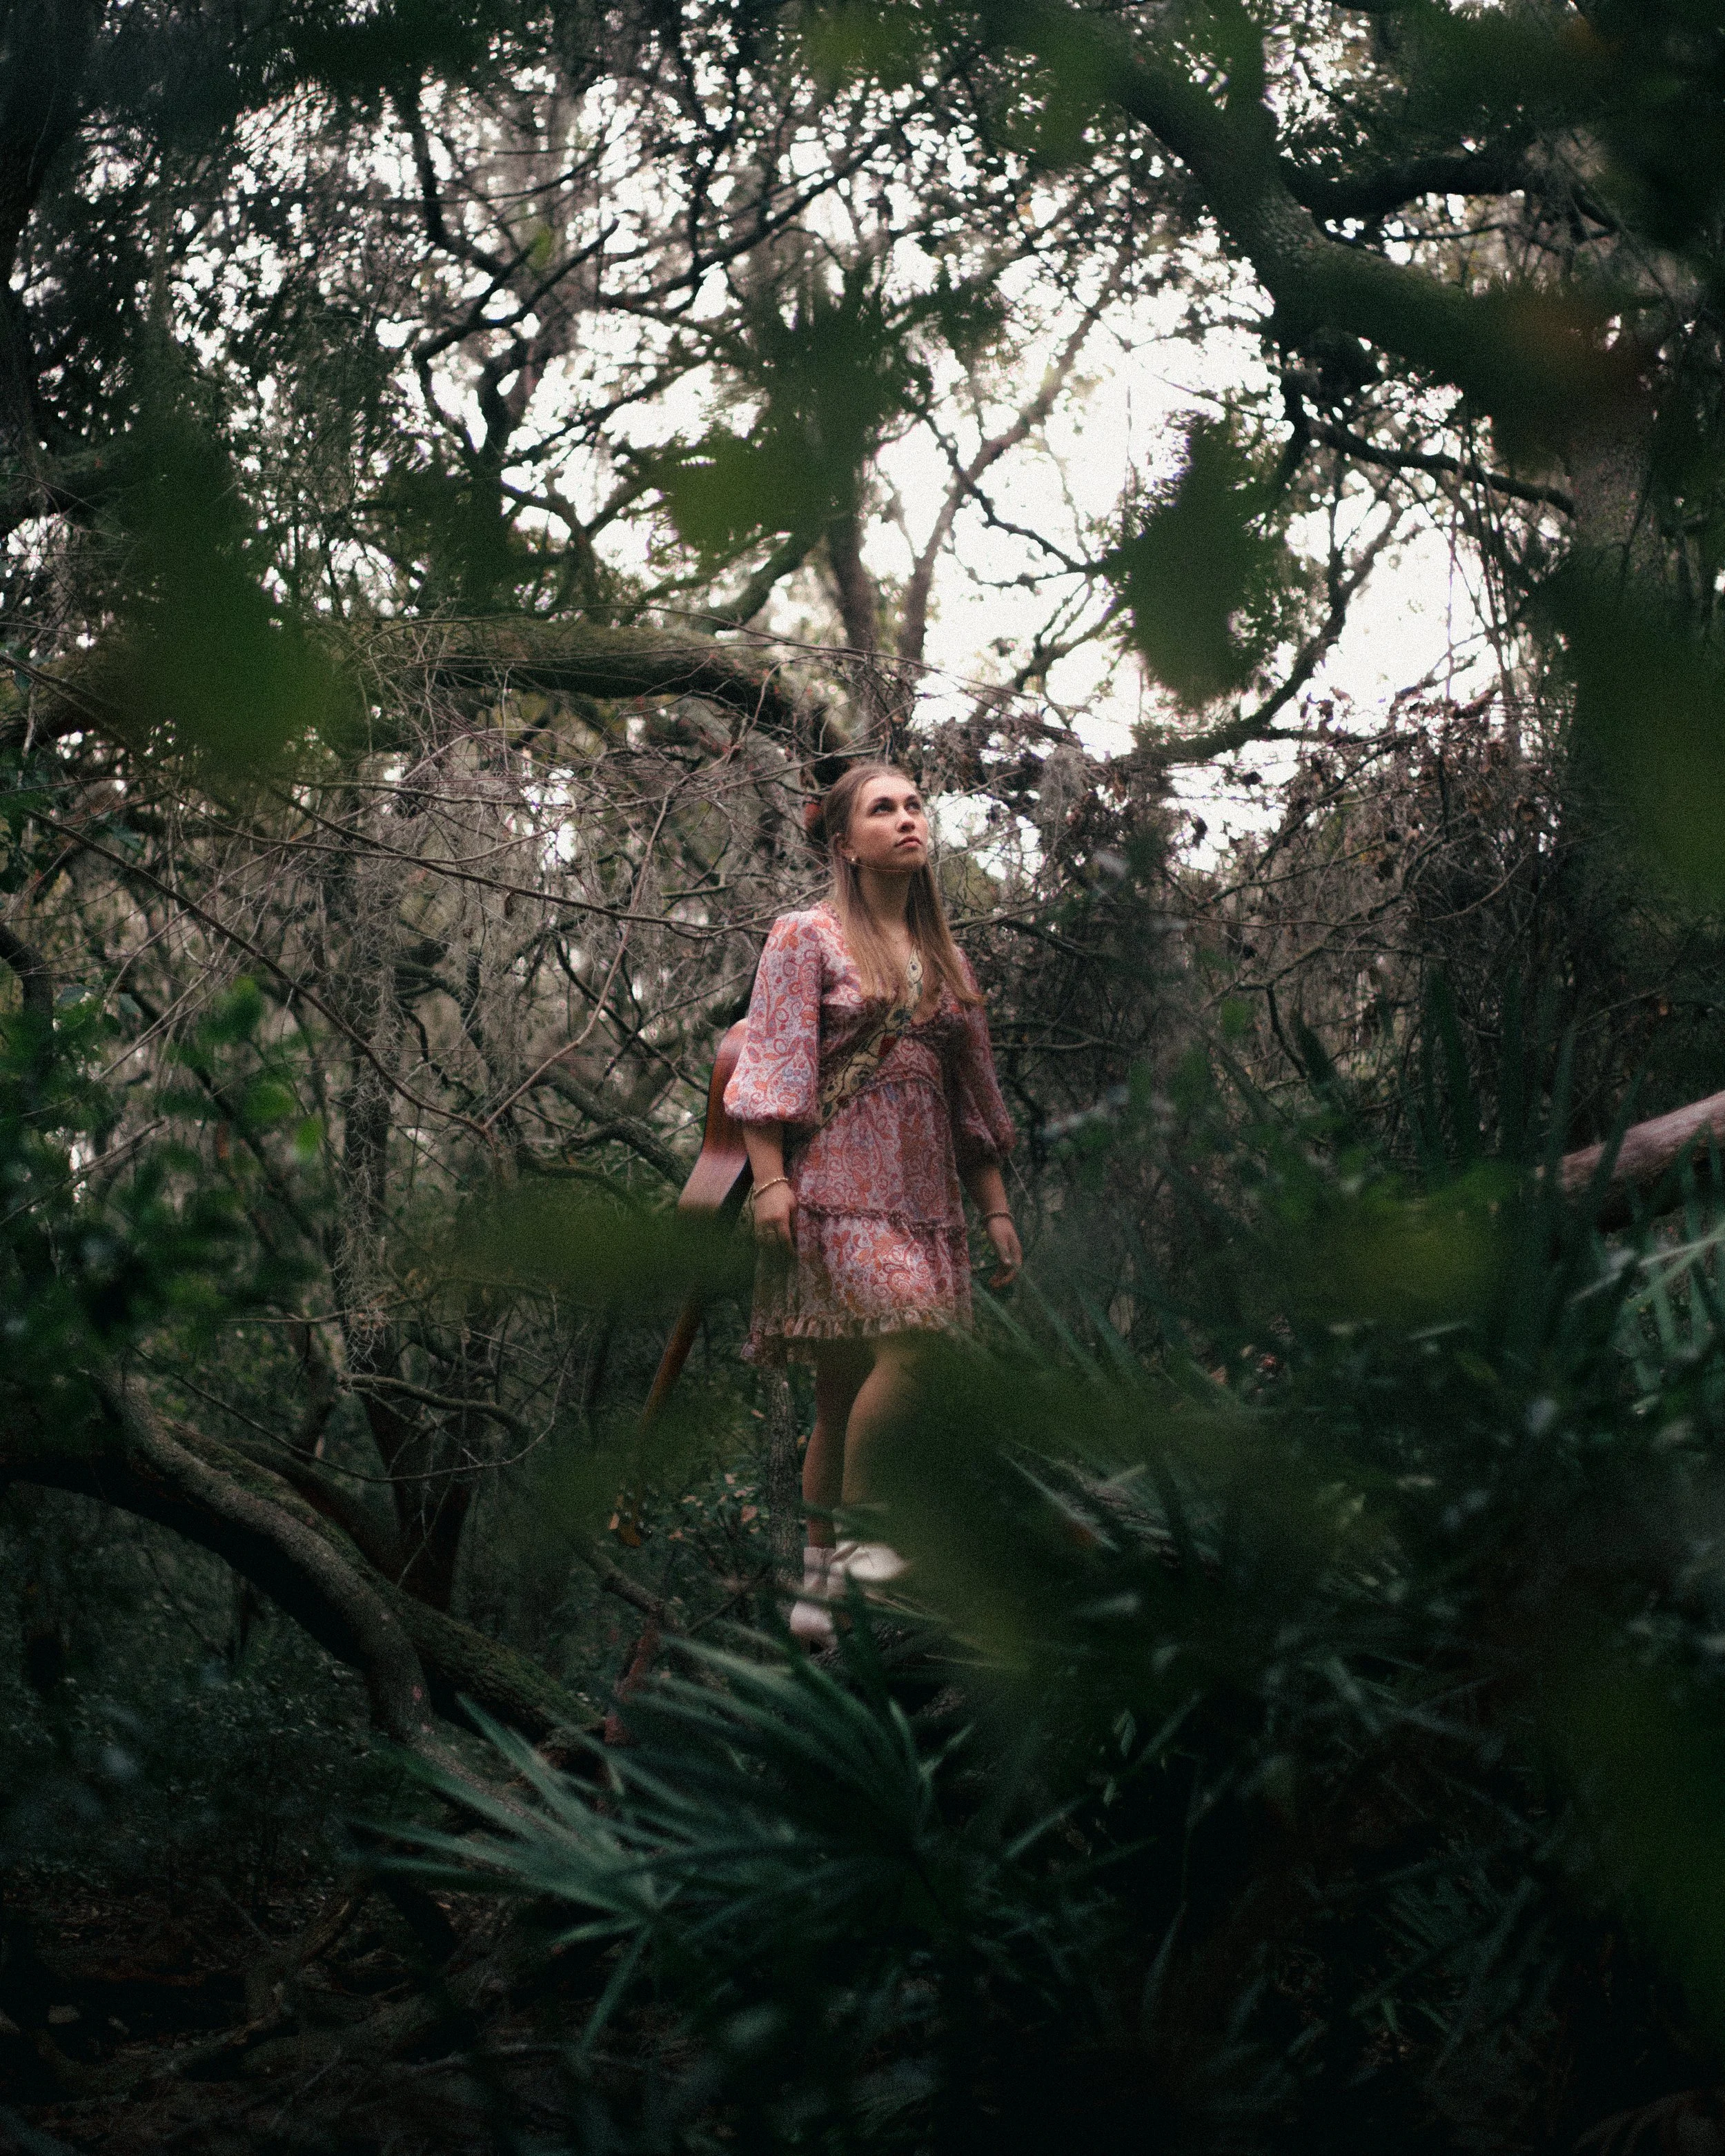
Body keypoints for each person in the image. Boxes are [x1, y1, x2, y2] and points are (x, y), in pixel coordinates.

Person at [724, 762, 1021, 1641]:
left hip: (923, 1198)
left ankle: (815, 1590)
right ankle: (860, 1551)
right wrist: (771, 1181)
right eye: (881, 809)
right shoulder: (804, 936)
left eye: (914, 805)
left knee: (842, 1387)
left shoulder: (945, 959)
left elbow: (974, 1104)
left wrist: (996, 1209)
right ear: (846, 842)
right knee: (916, 1344)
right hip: (833, 1190)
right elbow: (769, 1061)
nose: (905, 819)